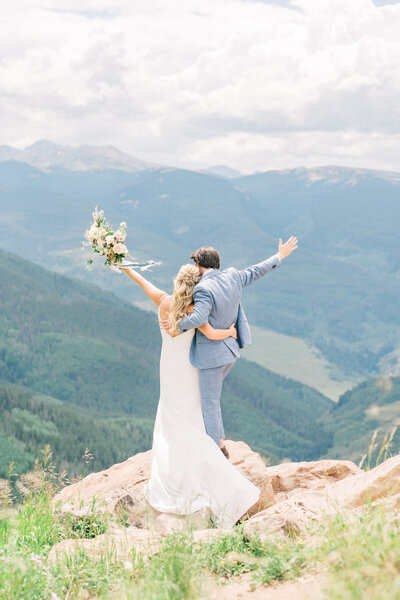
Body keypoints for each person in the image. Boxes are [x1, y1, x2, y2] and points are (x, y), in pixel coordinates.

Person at [120, 263, 260, 529]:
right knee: (191, 414)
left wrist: (125, 267)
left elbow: (142, 281)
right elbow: (212, 334)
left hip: (168, 368)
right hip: (189, 368)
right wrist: (231, 333)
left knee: (171, 415)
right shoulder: (194, 311)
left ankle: (173, 465)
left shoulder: (164, 302)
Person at [160, 237, 298, 458]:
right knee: (213, 400)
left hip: (212, 356)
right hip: (231, 350)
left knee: (209, 404)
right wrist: (279, 256)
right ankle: (221, 443)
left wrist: (177, 326)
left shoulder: (203, 288)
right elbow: (256, 271)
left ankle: (216, 454)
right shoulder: (233, 275)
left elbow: (198, 318)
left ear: (199, 265)